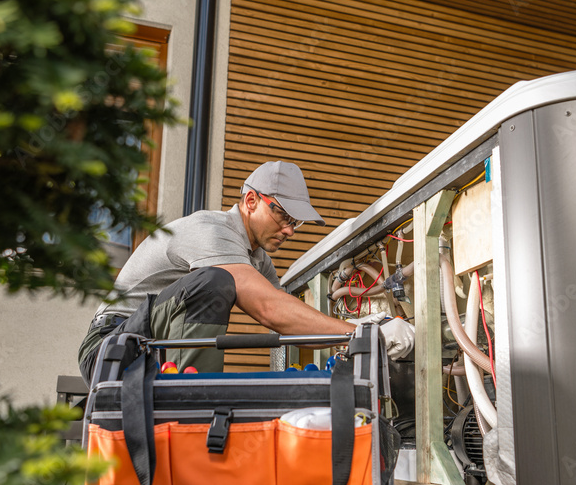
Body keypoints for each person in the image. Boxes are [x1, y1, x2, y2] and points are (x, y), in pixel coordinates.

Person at [78, 160, 415, 382]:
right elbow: (269, 310)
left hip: (149, 347)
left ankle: (190, 408)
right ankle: (191, 412)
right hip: (112, 349)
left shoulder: (256, 260)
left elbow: (295, 322)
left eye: (296, 222)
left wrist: (364, 325)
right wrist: (356, 333)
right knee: (213, 283)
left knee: (217, 282)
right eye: (284, 216)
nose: (290, 230)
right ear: (251, 201)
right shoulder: (210, 230)